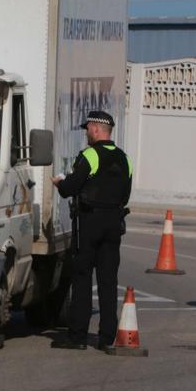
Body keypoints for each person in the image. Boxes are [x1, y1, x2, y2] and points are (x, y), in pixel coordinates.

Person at [51, 110, 132, 350]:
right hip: (114, 224)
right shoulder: (124, 158)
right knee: (108, 280)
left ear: (96, 129)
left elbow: (71, 187)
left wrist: (59, 183)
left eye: (88, 128)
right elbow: (125, 194)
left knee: (82, 277)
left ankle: (77, 336)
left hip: (89, 223)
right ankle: (107, 337)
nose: (86, 133)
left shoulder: (90, 155)